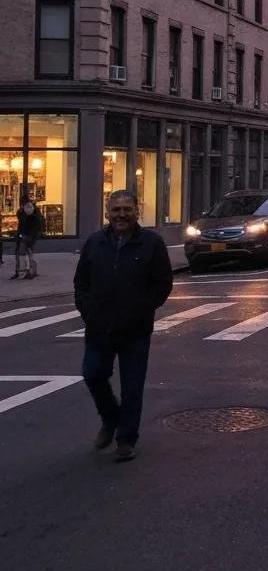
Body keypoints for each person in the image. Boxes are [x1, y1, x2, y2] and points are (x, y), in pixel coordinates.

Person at [73, 190, 173, 462]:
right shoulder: (94, 243)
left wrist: (142, 309)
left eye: (127, 209)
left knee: (132, 386)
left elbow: (163, 283)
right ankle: (110, 417)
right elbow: (81, 283)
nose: (121, 215)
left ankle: (126, 439)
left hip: (135, 330)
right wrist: (88, 311)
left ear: (136, 211)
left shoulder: (151, 243)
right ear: (107, 212)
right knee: (93, 374)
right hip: (99, 327)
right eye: (116, 210)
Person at [11, 194, 45, 280]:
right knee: (26, 253)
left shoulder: (29, 211)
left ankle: (26, 272)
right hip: (27, 234)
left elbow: (35, 225)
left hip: (29, 234)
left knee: (25, 253)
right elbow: (23, 225)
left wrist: (25, 235)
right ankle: (27, 272)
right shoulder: (24, 211)